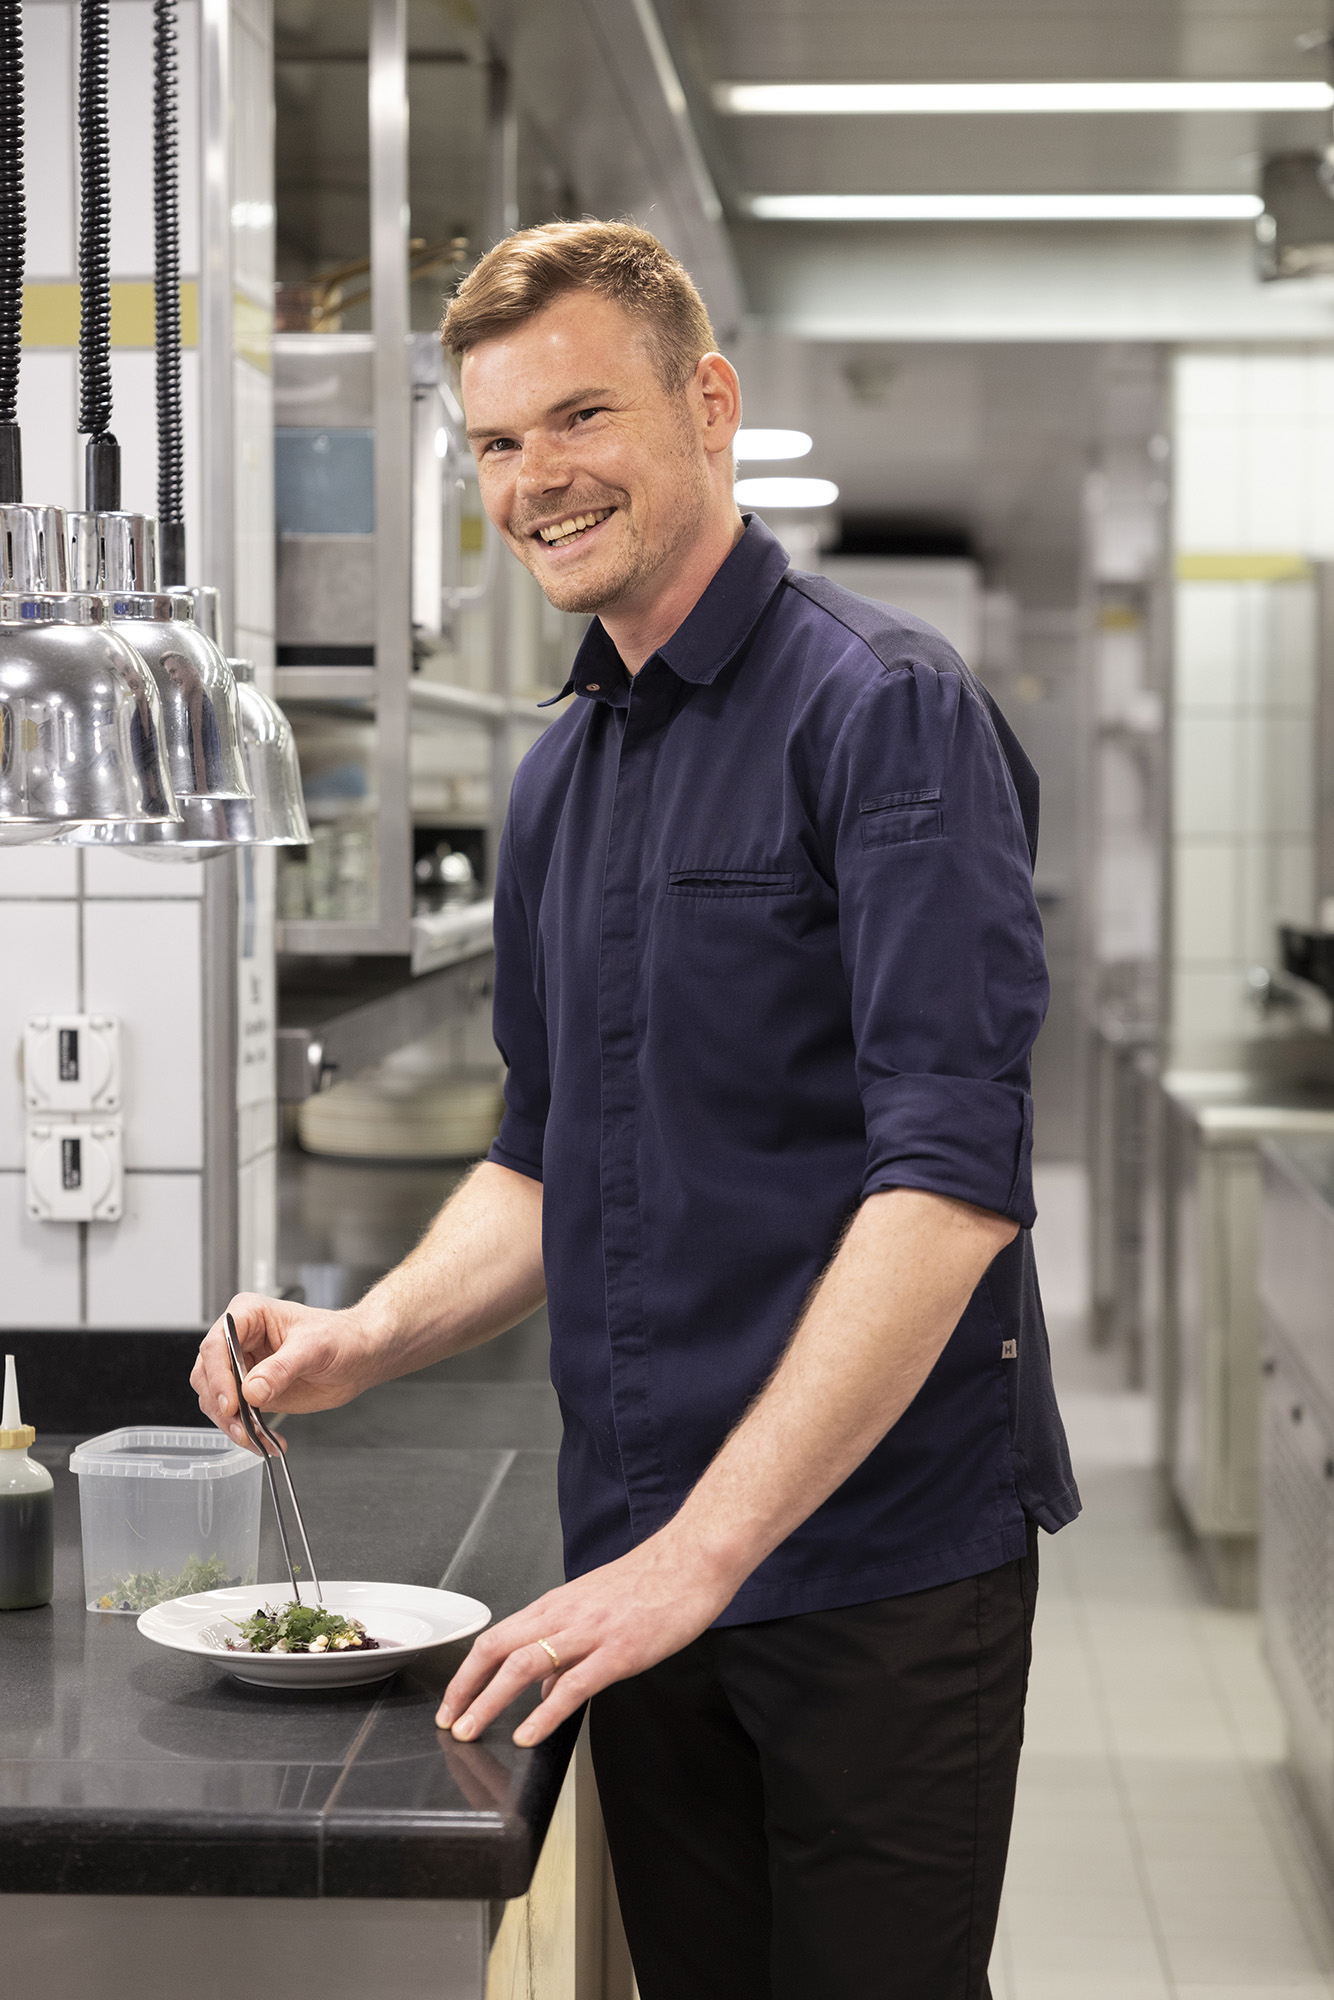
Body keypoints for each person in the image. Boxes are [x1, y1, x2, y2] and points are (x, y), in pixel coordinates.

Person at [193, 219, 1078, 2000]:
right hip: (644, 1557)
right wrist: (366, 1339)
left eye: (578, 420)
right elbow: (543, 1152)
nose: (536, 484)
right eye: (500, 444)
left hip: (870, 1572)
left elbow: (946, 1188)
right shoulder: (563, 776)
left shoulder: (881, 711)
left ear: (706, 405)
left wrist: (704, 1555)